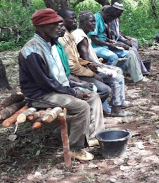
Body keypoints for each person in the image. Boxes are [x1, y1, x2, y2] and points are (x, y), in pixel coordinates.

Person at [19, 9, 104, 161]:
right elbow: (45, 83)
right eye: (56, 24)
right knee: (81, 106)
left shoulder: (51, 44)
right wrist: (72, 92)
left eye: (61, 24)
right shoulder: (32, 51)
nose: (61, 27)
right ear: (42, 26)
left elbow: (59, 76)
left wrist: (76, 85)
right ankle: (75, 148)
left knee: (93, 96)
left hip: (55, 89)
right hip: (40, 94)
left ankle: (92, 136)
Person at [73, 11, 130, 115]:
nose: (94, 24)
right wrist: (99, 68)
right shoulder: (81, 37)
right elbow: (85, 59)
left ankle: (118, 101)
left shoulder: (82, 34)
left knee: (118, 70)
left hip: (89, 66)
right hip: (86, 70)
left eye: (94, 21)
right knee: (116, 75)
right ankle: (116, 108)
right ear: (83, 22)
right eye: (91, 21)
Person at [88, 6, 145, 83]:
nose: (110, 22)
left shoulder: (103, 19)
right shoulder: (96, 19)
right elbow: (93, 37)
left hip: (103, 46)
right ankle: (107, 78)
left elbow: (102, 36)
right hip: (95, 47)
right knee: (113, 57)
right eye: (111, 20)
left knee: (127, 54)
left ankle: (119, 75)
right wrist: (108, 44)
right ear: (108, 16)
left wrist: (111, 42)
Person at [109, 2, 150, 75]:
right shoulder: (110, 20)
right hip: (115, 41)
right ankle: (140, 69)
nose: (121, 14)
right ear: (115, 10)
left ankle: (137, 64)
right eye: (120, 12)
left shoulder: (116, 19)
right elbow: (115, 36)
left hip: (118, 39)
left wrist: (125, 38)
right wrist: (125, 42)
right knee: (132, 48)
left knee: (134, 41)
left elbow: (118, 33)